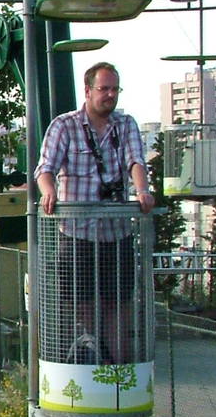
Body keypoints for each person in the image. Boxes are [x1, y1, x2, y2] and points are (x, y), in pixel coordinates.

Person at [34, 62, 153, 364]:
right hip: (78, 235)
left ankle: (117, 373)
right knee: (81, 305)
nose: (110, 95)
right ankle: (87, 367)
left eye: (115, 89)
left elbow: (135, 160)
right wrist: (49, 192)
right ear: (87, 91)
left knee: (119, 307)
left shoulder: (125, 125)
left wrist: (142, 190)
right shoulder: (64, 126)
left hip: (117, 234)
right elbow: (44, 168)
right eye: (104, 89)